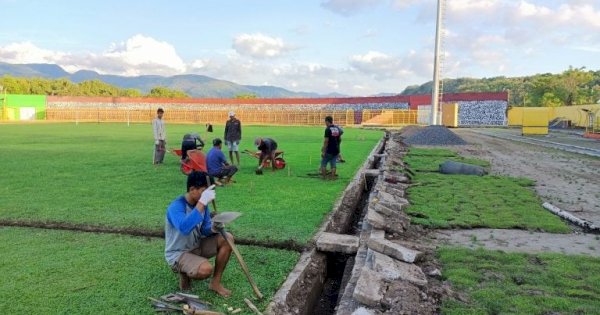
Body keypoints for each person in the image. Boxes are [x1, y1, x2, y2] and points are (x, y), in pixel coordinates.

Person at [164, 171, 234, 297]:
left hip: (196, 246)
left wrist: (213, 227)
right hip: (178, 254)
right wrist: (202, 202)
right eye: (204, 192)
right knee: (205, 269)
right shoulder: (175, 207)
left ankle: (215, 283)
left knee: (227, 238)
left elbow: (204, 229)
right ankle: (184, 272)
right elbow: (184, 228)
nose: (207, 197)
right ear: (192, 189)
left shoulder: (202, 205)